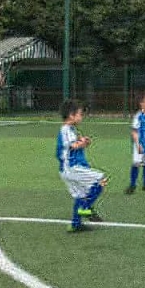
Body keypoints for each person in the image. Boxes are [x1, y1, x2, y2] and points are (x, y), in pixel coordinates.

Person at [56, 99, 108, 232]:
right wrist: (83, 143)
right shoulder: (66, 129)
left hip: (67, 170)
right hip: (72, 167)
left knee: (81, 195)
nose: (81, 117)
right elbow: (73, 146)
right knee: (100, 179)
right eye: (79, 114)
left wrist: (83, 141)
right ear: (71, 115)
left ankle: (75, 225)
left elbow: (73, 144)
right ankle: (85, 210)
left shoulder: (71, 129)